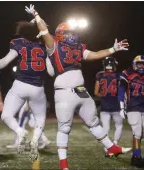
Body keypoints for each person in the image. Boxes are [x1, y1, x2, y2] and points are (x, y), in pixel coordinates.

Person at [25, 4, 131, 170]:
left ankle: (112, 148)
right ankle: (63, 165)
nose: (71, 36)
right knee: (64, 128)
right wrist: (37, 15)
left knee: (94, 122)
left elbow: (95, 55)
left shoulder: (77, 48)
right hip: (64, 92)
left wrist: (113, 49)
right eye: (67, 33)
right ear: (60, 35)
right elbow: (44, 30)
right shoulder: (54, 46)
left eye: (71, 33)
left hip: (81, 91)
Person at [0, 21, 53, 161]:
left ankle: (20, 131)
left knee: (6, 115)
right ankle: (35, 141)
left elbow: (4, 62)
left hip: (20, 84)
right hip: (38, 88)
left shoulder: (19, 43)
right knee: (40, 118)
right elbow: (51, 72)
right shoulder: (44, 46)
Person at [118, 55, 144, 168]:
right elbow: (121, 90)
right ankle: (136, 157)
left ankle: (136, 153)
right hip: (133, 107)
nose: (141, 66)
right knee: (137, 132)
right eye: (139, 63)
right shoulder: (127, 74)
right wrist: (122, 107)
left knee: (141, 133)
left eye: (143, 63)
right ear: (134, 64)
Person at [94, 57, 123, 156]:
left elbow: (96, 92)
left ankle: (108, 148)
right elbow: (122, 90)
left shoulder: (100, 75)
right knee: (119, 126)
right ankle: (114, 144)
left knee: (105, 128)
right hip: (117, 105)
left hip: (105, 106)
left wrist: (105, 96)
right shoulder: (119, 75)